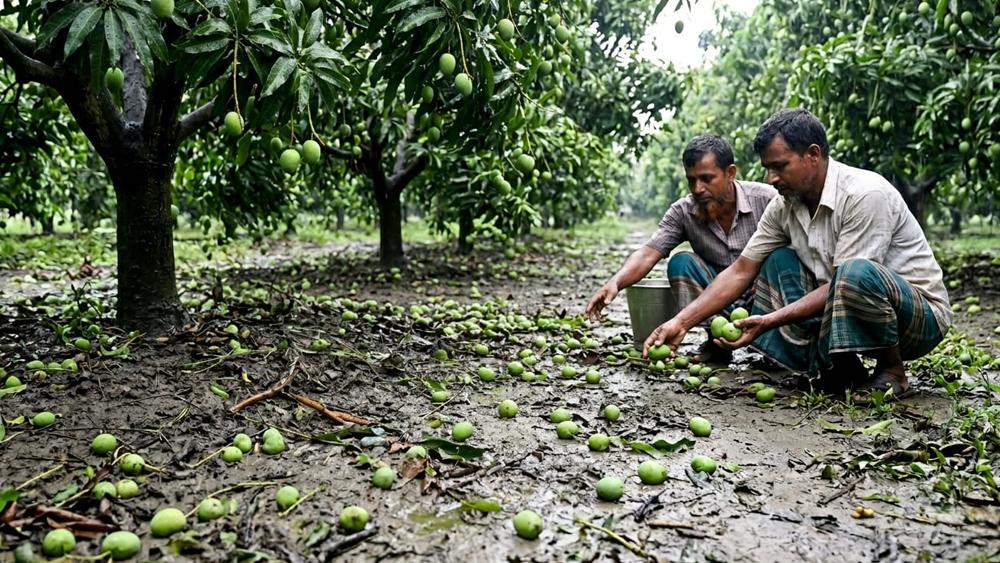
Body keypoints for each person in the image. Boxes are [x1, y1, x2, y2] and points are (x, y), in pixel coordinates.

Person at [643, 108, 951, 397]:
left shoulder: (864, 194)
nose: (771, 178)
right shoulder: (784, 205)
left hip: (916, 320)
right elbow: (741, 270)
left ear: (813, 155)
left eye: (780, 166)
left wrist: (770, 320)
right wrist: (680, 322)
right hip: (852, 313)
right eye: (767, 168)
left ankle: (892, 371)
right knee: (778, 260)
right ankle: (833, 366)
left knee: (854, 272)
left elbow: (843, 283)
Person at [585, 134, 777, 361]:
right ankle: (717, 344)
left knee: (779, 258)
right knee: (681, 263)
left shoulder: (766, 200)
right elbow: (649, 252)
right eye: (692, 180)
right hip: (717, 299)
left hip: (763, 297)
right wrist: (615, 283)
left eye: (707, 179)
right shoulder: (684, 211)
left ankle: (773, 346)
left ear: (730, 173)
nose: (698, 188)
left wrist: (763, 273)